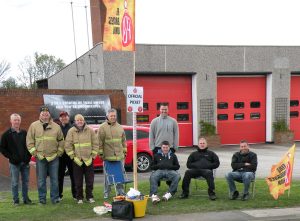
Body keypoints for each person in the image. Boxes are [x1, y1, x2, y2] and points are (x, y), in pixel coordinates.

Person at [26, 106, 64, 204]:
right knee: (41, 180)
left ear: (49, 114)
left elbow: (61, 141)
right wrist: (34, 153)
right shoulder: (34, 125)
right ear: (40, 115)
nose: (45, 115)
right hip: (40, 157)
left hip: (54, 157)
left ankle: (55, 199)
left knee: (55, 180)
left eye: (47, 113)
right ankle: (42, 199)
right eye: (43, 113)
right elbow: (29, 141)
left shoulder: (56, 126)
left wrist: (59, 152)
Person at [65, 114, 99, 204]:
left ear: (84, 121)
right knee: (78, 181)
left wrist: (93, 155)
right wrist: (72, 156)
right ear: (75, 122)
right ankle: (79, 197)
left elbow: (95, 143)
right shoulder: (71, 131)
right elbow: (68, 145)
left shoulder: (90, 130)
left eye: (81, 120)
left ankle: (89, 197)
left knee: (90, 180)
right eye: (78, 120)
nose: (80, 122)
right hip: (77, 160)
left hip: (89, 159)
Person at [0, 113, 32, 205]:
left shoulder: (24, 133)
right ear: (11, 121)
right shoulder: (6, 134)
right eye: (15, 120)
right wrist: (11, 157)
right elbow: (2, 148)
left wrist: (28, 157)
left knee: (25, 182)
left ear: (20, 121)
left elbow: (29, 146)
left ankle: (26, 199)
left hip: (25, 162)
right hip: (14, 163)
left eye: (18, 120)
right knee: (15, 182)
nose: (16, 122)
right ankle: (16, 200)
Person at [98, 108, 127, 199]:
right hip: (108, 157)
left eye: (114, 116)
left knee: (119, 175)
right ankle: (106, 192)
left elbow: (123, 141)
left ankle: (120, 192)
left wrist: (125, 151)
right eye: (111, 116)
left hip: (119, 157)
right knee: (108, 176)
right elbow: (99, 142)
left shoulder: (120, 127)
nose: (113, 117)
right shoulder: (102, 127)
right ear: (107, 116)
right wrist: (101, 154)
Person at [58, 111, 76, 201]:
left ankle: (75, 195)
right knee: (59, 176)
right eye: (61, 117)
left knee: (73, 175)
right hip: (60, 155)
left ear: (68, 117)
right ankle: (59, 195)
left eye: (65, 116)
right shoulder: (57, 128)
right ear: (59, 118)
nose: (63, 118)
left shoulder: (73, 128)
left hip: (71, 155)